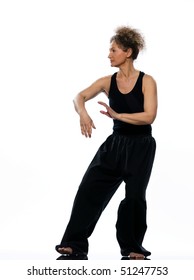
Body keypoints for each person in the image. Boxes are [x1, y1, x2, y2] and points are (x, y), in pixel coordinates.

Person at [55, 26, 157, 260]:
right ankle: (74, 244)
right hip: (115, 145)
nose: (109, 55)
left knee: (134, 197)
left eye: (113, 50)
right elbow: (79, 96)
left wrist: (118, 115)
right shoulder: (107, 81)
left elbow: (149, 116)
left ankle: (132, 247)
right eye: (109, 50)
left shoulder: (147, 81)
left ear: (128, 52)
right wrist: (83, 113)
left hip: (141, 145)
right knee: (88, 189)